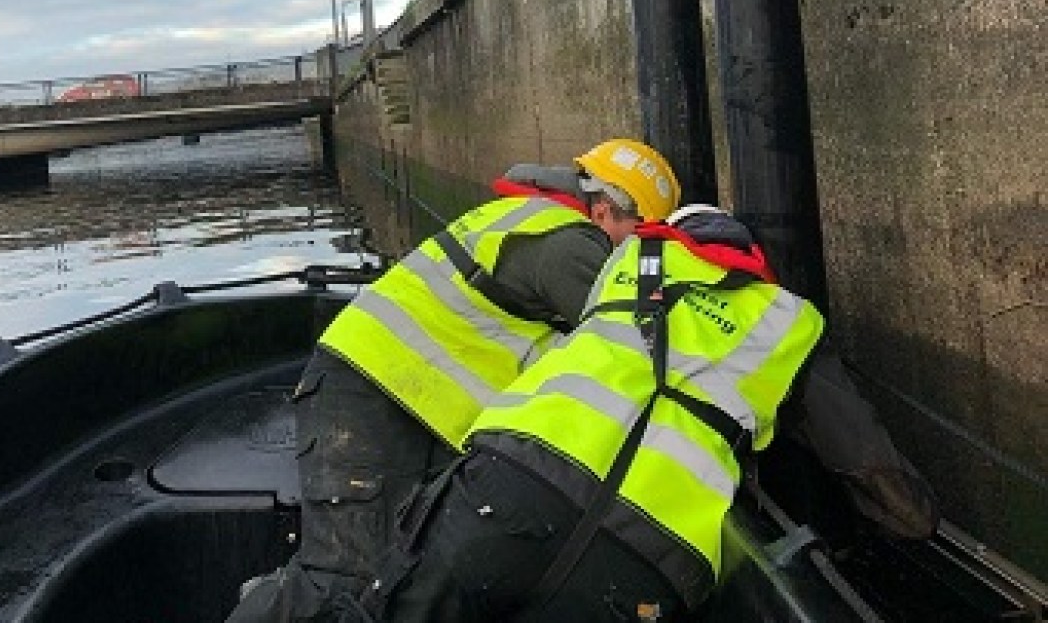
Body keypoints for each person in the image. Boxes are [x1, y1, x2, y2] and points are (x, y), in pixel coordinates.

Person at [226, 139, 683, 622]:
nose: (642, 255)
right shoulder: (572, 245)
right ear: (607, 211)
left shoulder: (529, 215)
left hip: (404, 401)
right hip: (374, 392)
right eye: (642, 238)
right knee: (341, 576)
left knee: (398, 572)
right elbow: (640, 345)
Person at [347, 204, 826, 622]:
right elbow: (851, 452)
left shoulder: (633, 258)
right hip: (653, 553)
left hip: (514, 479)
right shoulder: (792, 321)